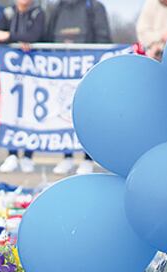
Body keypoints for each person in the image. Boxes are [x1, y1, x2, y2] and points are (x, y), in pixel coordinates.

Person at [45, 0, 110, 174]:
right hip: (64, 74)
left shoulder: (94, 7)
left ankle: (88, 159)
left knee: (88, 116)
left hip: (86, 71)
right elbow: (49, 37)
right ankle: (67, 157)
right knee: (65, 116)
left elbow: (104, 38)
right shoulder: (58, 7)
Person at [0, 0, 45, 174]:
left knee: (31, 112)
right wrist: (18, 37)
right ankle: (11, 154)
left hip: (33, 73)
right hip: (11, 75)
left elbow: (35, 36)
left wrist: (10, 36)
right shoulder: (6, 13)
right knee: (11, 109)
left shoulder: (38, 13)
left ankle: (28, 156)